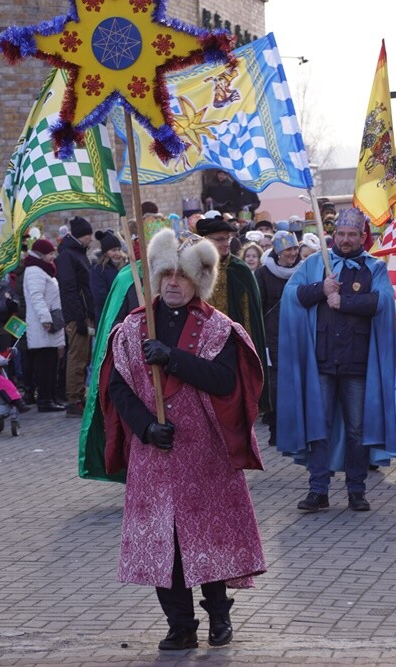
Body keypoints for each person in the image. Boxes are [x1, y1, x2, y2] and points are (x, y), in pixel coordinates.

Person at [98, 227, 266, 651]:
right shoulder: (133, 328)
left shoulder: (218, 329)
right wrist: (145, 427)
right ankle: (180, 624)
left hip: (204, 452)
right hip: (154, 453)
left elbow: (224, 380)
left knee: (207, 539)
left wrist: (173, 358)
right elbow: (116, 388)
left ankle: (219, 618)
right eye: (166, 274)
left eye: (182, 276)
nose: (173, 282)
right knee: (164, 544)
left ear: (199, 281)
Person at [277, 207, 396, 512]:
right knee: (320, 426)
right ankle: (318, 489)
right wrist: (322, 288)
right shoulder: (315, 264)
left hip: (358, 364)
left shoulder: (375, 268)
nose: (345, 240)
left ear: (362, 236)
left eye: (352, 235)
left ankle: (356, 489)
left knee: (358, 429)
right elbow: (292, 296)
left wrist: (344, 301)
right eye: (341, 234)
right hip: (321, 361)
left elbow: (382, 301)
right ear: (333, 235)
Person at [195, 211, 270, 413]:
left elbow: (249, 317)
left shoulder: (239, 270)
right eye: (219, 239)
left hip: (230, 351)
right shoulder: (192, 268)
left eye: (228, 239)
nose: (225, 243)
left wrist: (247, 353)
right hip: (197, 350)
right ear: (205, 240)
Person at [255, 230, 300, 447]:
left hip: (297, 332)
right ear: (278, 252)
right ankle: (276, 427)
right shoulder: (263, 274)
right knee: (275, 383)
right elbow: (258, 305)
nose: (292, 253)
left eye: (294, 248)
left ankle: (294, 428)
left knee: (295, 381)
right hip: (272, 336)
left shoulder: (303, 270)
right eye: (287, 249)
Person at [57, 216, 96, 417]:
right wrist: (78, 317)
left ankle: (79, 395)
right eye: (89, 234)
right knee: (77, 357)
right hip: (76, 315)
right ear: (83, 235)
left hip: (83, 313)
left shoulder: (77, 253)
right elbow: (69, 289)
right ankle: (73, 399)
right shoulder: (68, 256)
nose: (91, 238)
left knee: (84, 356)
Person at [22, 238, 66, 413]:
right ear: (41, 254)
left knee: (51, 363)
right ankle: (45, 399)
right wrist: (46, 319)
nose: (53, 256)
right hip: (43, 325)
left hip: (50, 322)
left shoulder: (42, 270)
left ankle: (51, 397)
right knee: (45, 365)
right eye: (50, 253)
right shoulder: (34, 271)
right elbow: (36, 297)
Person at [90, 229, 125, 322]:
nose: (117, 253)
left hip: (123, 316)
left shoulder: (123, 266)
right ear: (105, 252)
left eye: (119, 249)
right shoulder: (98, 270)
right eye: (113, 250)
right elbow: (100, 297)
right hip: (106, 317)